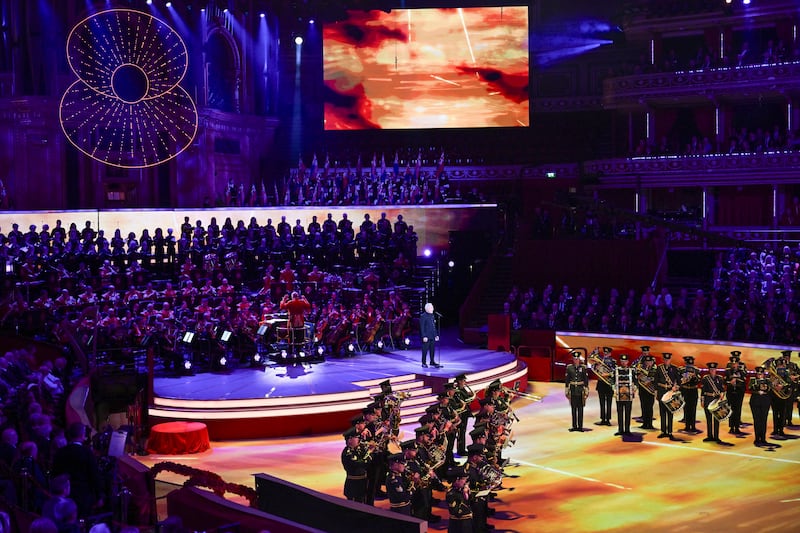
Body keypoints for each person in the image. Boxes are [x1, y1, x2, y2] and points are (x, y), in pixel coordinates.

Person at [51, 423, 103, 518]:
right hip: (84, 495)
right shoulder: (87, 452)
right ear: (83, 435)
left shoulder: (60, 452)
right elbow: (94, 475)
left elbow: (55, 473)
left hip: (63, 495)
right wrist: (99, 496)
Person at [701, 362, 730, 445]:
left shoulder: (720, 378)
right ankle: (710, 436)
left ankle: (716, 437)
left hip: (716, 400)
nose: (713, 371)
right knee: (709, 419)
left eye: (714, 369)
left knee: (716, 419)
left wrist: (722, 395)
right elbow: (703, 391)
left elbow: (723, 390)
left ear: (716, 370)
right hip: (708, 399)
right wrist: (702, 401)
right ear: (709, 370)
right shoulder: (705, 379)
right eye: (711, 370)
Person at [654, 353, 681, 440]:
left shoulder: (674, 368)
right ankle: (663, 431)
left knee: (670, 412)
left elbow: (679, 381)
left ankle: (669, 431)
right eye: (665, 360)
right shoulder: (659, 368)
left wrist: (675, 387)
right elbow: (656, 381)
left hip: (670, 392)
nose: (666, 361)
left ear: (670, 360)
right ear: (663, 360)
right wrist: (656, 392)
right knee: (662, 412)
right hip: (662, 391)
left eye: (668, 360)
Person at [341, 427, 370, 503]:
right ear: (350, 440)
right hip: (353, 483)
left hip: (362, 481)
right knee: (354, 505)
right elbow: (359, 463)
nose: (359, 439)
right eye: (356, 437)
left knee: (362, 501)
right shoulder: (347, 453)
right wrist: (368, 455)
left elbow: (369, 461)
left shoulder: (359, 449)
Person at [749, 366, 773, 447]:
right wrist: (758, 389)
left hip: (765, 401)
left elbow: (770, 389)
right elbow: (750, 388)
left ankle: (763, 438)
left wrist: (765, 388)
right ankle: (757, 438)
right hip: (755, 401)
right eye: (758, 374)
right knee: (756, 420)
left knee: (763, 420)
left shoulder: (767, 381)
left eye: (761, 374)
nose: (760, 375)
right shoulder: (753, 380)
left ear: (763, 374)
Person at [565, 351, 588, 432]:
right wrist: (566, 390)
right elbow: (567, 380)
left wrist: (586, 390)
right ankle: (574, 426)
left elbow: (585, 380)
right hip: (573, 390)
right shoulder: (569, 368)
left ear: (579, 359)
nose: (576, 360)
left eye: (577, 359)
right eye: (574, 359)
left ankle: (580, 426)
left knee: (580, 409)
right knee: (573, 409)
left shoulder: (584, 368)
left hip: (580, 390)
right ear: (573, 359)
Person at [725, 353, 747, 435]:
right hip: (730, 392)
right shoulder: (728, 371)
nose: (734, 365)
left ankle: (737, 427)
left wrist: (737, 381)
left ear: (738, 363)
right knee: (730, 409)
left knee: (738, 409)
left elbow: (744, 381)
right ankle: (731, 427)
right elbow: (725, 381)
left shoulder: (741, 372)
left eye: (736, 363)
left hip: (739, 392)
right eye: (733, 363)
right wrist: (730, 382)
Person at [446, 466, 473, 533]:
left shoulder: (462, 490)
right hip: (458, 524)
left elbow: (471, 504)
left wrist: (466, 494)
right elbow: (457, 512)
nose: (465, 482)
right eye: (463, 479)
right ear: (457, 480)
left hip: (467, 522)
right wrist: (464, 495)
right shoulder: (451, 493)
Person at [635, 349, 657, 430]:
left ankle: (650, 424)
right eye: (647, 362)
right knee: (643, 406)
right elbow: (636, 377)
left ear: (652, 362)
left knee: (649, 407)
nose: (648, 363)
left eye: (649, 362)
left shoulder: (655, 370)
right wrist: (638, 376)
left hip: (650, 391)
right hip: (642, 390)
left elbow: (656, 379)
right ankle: (644, 423)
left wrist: (650, 380)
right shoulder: (640, 369)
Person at [613, 354, 635, 436]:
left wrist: (634, 389)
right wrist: (614, 390)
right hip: (619, 394)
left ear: (628, 362)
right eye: (622, 361)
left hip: (628, 394)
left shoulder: (631, 370)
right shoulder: (616, 370)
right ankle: (620, 429)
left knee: (628, 413)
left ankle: (627, 430)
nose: (623, 363)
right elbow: (612, 381)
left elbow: (635, 381)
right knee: (620, 412)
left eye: (625, 361)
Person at [679, 356, 701, 434]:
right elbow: (679, 380)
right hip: (685, 391)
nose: (689, 365)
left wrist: (694, 377)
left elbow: (698, 380)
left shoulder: (696, 370)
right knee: (686, 408)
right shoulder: (681, 370)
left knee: (693, 408)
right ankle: (687, 426)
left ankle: (693, 426)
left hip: (693, 391)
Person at [594, 347, 615, 426]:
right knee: (602, 402)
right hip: (601, 383)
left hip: (609, 383)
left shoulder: (613, 361)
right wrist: (597, 367)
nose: (605, 354)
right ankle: (603, 419)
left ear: (610, 353)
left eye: (607, 353)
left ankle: (608, 420)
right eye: (604, 353)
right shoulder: (599, 361)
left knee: (609, 402)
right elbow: (594, 369)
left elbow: (615, 371)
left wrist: (607, 374)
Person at [420, 302, 439, 368]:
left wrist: (436, 335)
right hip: (426, 337)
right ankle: (423, 363)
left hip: (432, 336)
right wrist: (424, 336)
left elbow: (433, 326)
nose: (433, 309)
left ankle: (432, 361)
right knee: (425, 350)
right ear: (427, 309)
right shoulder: (423, 316)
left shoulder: (432, 315)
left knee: (432, 349)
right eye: (431, 308)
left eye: (432, 307)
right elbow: (422, 327)